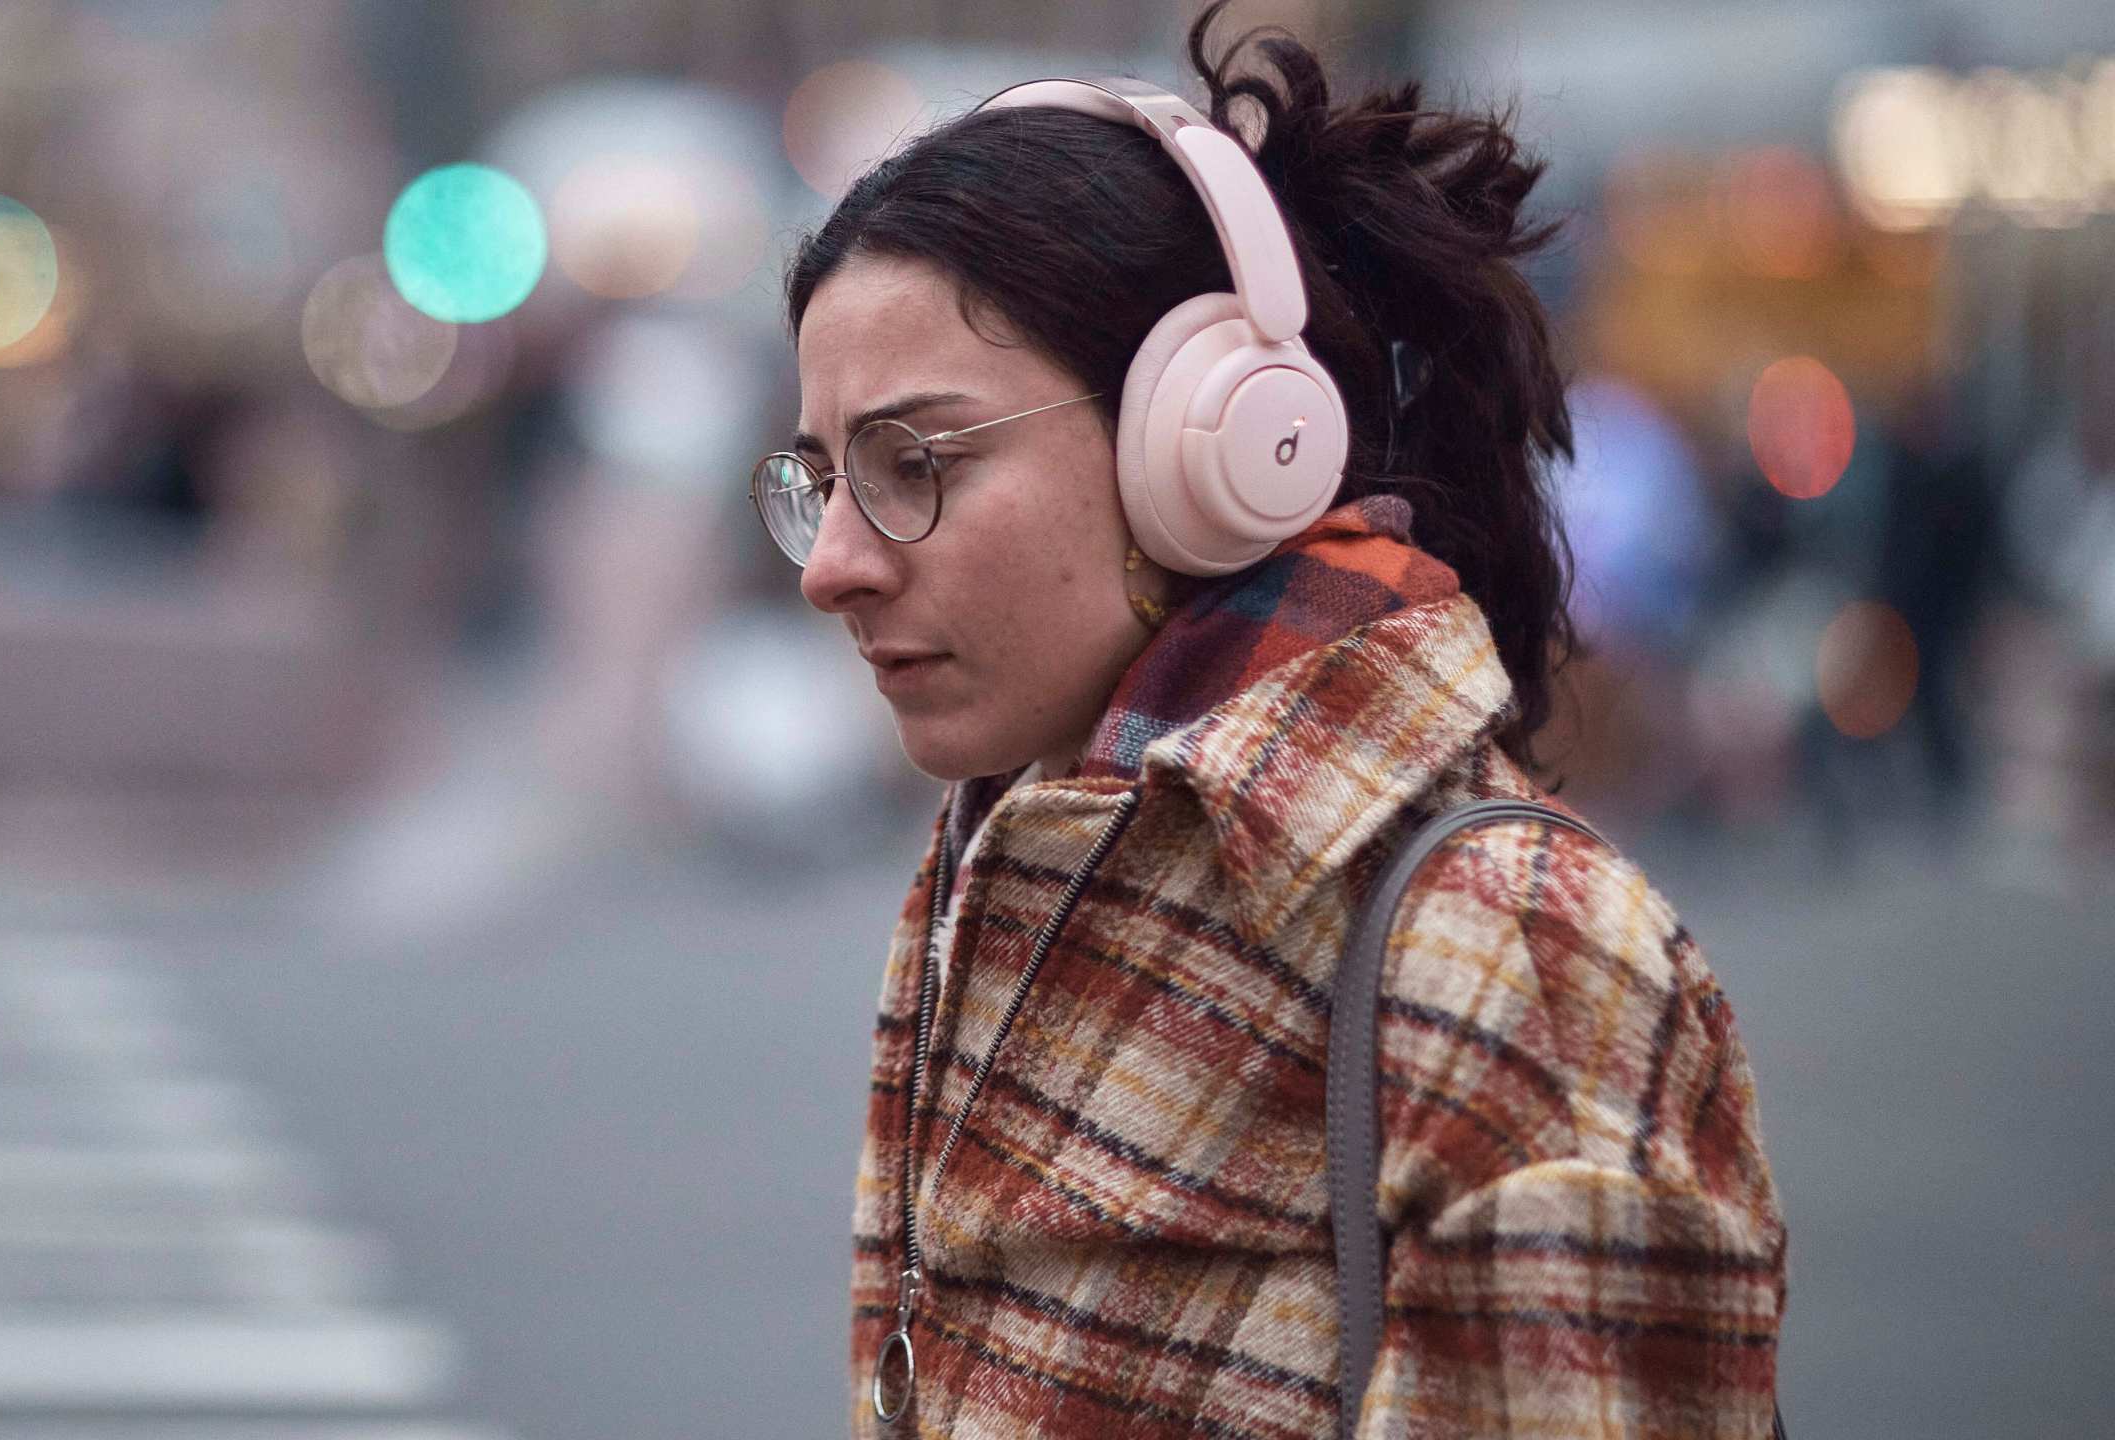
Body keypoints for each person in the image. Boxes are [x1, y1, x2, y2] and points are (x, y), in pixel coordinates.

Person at [749, 9, 1787, 1438]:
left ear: (1218, 444)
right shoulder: (1005, 848)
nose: (831, 566)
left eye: (912, 462)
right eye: (819, 477)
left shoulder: (1523, 955)